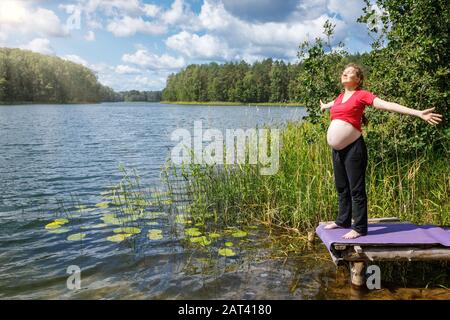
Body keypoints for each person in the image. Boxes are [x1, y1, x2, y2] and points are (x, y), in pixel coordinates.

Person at [319, 63, 443, 239]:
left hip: (354, 149)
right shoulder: (339, 98)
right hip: (337, 151)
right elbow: (332, 104)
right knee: (341, 187)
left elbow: (388, 105)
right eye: (344, 73)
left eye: (350, 74)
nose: (345, 75)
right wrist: (325, 106)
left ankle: (360, 228)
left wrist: (417, 113)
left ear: (358, 80)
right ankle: (342, 221)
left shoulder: (362, 95)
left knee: (356, 189)